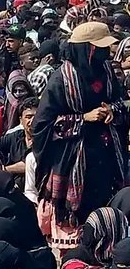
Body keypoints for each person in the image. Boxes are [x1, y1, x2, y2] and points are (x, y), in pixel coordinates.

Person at [33, 22, 127, 251]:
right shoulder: (60, 80)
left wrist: (111, 111)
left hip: (107, 152)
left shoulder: (106, 72)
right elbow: (42, 126)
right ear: (87, 49)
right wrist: (83, 118)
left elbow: (122, 101)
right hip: (74, 160)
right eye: (100, 48)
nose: (106, 53)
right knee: (81, 213)